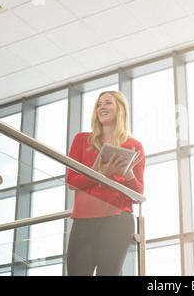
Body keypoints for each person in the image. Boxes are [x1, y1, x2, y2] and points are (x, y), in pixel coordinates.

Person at [66, 91, 145, 276]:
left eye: (108, 103)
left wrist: (128, 175)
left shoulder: (134, 146)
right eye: (99, 104)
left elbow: (138, 193)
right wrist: (100, 174)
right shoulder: (81, 140)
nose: (102, 107)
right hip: (84, 220)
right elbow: (72, 181)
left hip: (118, 219)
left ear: (120, 109)